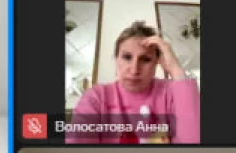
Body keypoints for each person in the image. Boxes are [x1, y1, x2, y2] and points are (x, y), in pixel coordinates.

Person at [67, 21, 202, 145]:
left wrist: (175, 69)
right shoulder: (96, 97)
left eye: (145, 59)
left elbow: (193, 144)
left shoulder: (170, 93)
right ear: (116, 59)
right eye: (127, 57)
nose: (134, 70)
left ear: (157, 63)